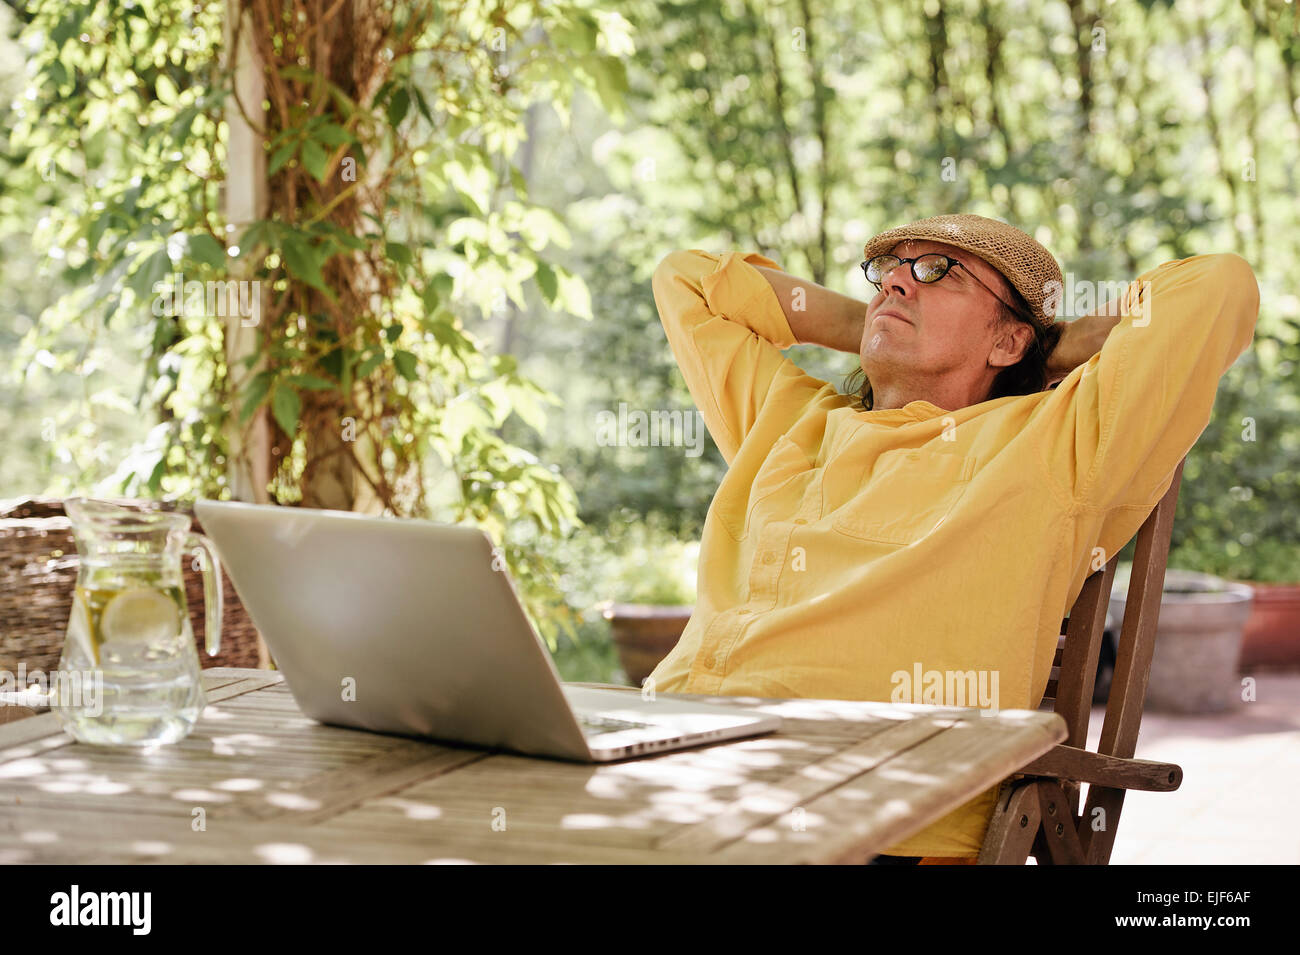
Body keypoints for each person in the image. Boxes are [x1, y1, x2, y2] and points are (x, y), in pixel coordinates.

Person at [646, 213, 1260, 863]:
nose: (897, 282)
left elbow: (1217, 286)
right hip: (670, 764)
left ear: (1009, 340)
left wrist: (1050, 347)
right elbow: (686, 280)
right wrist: (875, 324)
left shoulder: (1053, 445)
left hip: (858, 809)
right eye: (889, 270)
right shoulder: (788, 420)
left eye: (939, 271)